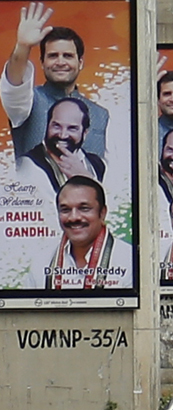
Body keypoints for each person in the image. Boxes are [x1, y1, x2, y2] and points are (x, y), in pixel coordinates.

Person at [1, 3, 108, 160]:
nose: (60, 62)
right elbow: (13, 85)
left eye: (67, 56)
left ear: (80, 63)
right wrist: (23, 47)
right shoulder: (28, 103)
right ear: (42, 63)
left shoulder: (101, 115)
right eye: (53, 56)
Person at [35, 175, 132, 290]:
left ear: (102, 213)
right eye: (65, 210)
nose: (74, 217)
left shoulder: (129, 261)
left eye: (84, 208)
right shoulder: (41, 262)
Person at [18, 95, 103, 193]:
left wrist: (85, 176)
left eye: (72, 128)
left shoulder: (97, 164)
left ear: (84, 133)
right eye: (56, 126)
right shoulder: (28, 165)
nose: (63, 135)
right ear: (47, 126)